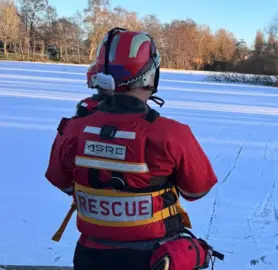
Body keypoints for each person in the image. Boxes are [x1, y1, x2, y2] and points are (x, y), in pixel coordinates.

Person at [45, 27, 222, 270]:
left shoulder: (73, 129)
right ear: (150, 74)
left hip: (89, 257)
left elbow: (62, 182)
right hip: (155, 259)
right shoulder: (171, 134)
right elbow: (197, 190)